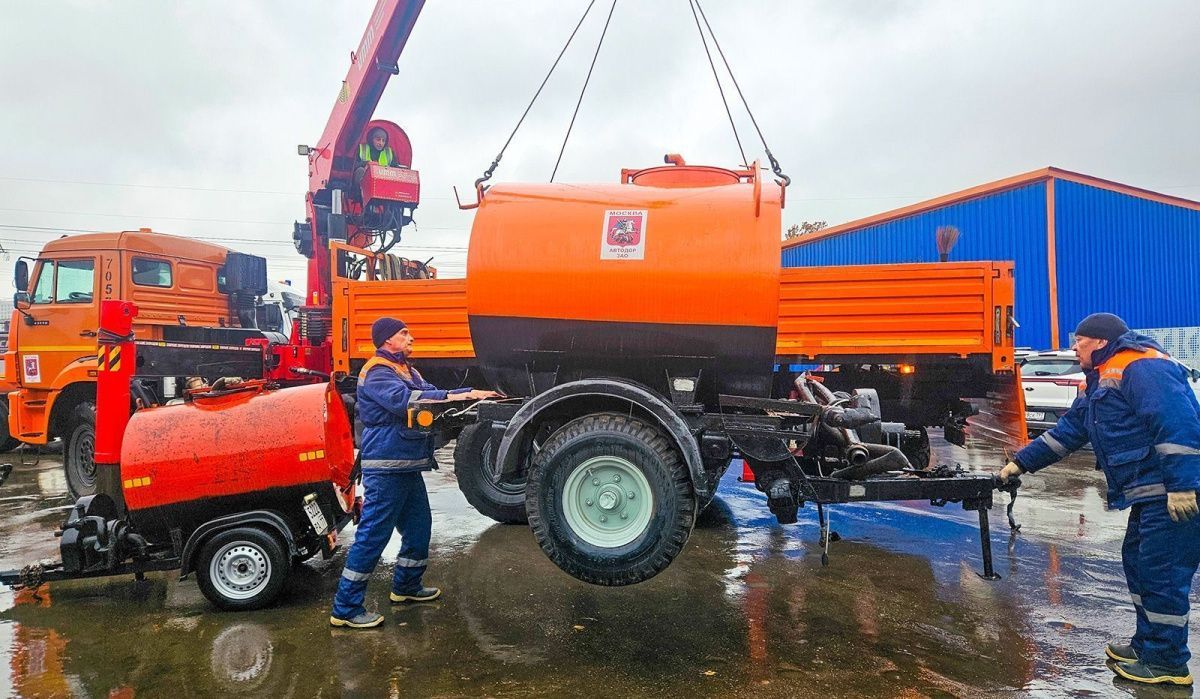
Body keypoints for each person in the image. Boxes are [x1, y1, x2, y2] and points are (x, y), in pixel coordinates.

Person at [1000, 313, 1200, 685]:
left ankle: (1168, 664)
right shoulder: (1101, 380)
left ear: (1101, 342)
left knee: (1162, 573)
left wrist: (1184, 485)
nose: (1075, 347)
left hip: (1173, 492)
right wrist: (1020, 465)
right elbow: (1069, 432)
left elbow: (1179, 424)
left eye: (1080, 340)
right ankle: (1149, 646)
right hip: (1150, 492)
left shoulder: (1141, 368)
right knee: (1140, 565)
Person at [330, 317, 498, 629]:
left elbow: (436, 393)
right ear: (386, 341)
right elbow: (405, 401)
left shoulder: (407, 369)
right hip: (387, 466)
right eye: (403, 333)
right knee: (373, 536)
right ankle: (346, 608)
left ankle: (406, 587)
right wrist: (460, 396)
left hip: (408, 465)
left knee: (419, 527)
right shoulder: (377, 371)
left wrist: (471, 392)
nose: (411, 338)